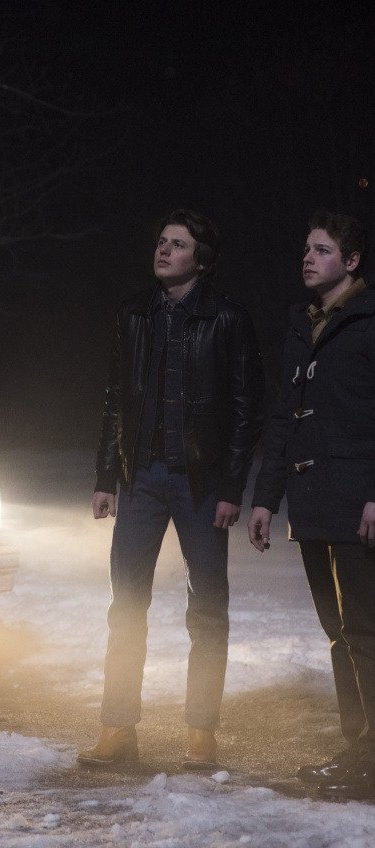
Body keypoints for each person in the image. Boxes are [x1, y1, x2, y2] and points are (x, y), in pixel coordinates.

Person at [80, 209, 264, 769]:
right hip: (140, 478)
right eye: (161, 241)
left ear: (201, 260)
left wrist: (232, 486)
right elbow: (116, 397)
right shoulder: (134, 313)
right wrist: (106, 476)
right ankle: (117, 730)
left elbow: (246, 407)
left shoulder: (226, 317)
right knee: (125, 605)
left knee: (207, 608)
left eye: (177, 244)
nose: (163, 250)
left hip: (201, 483)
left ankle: (200, 734)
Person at [249, 211, 375, 800]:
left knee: (366, 632)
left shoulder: (368, 321)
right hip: (312, 501)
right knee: (338, 631)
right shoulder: (303, 324)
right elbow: (285, 417)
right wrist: (265, 498)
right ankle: (358, 751)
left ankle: (371, 761)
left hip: (357, 502)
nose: (308, 257)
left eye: (322, 250)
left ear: (351, 261)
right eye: (306, 248)